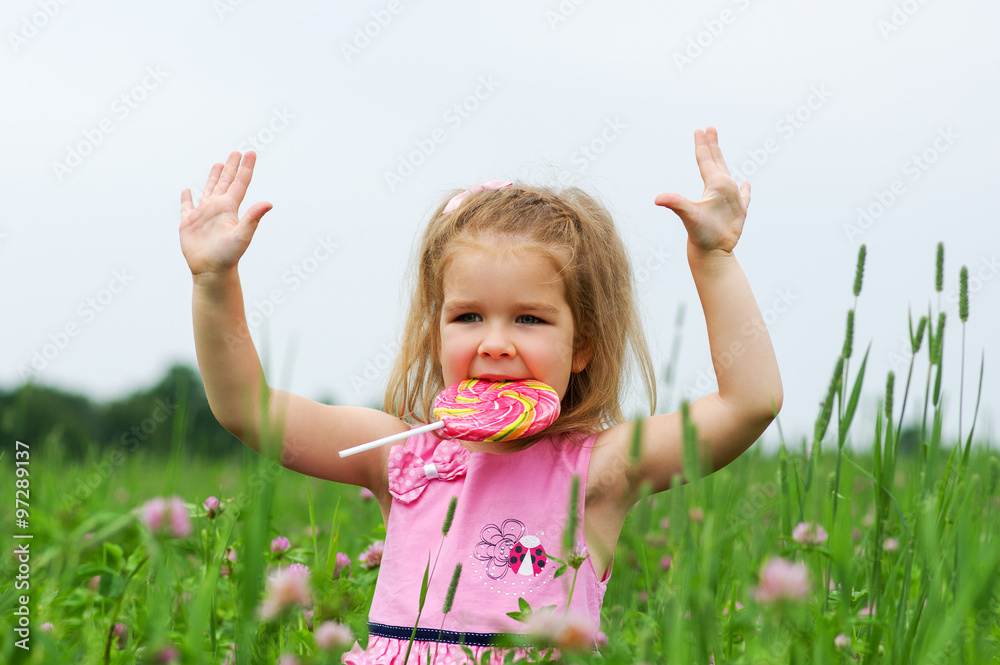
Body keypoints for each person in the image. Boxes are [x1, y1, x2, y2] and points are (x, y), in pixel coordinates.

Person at [179, 126, 782, 664]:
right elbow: (247, 409)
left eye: (529, 320)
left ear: (582, 347)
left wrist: (714, 258)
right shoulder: (400, 456)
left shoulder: (595, 471)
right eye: (468, 316)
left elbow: (747, 403)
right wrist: (215, 282)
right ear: (435, 331)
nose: (495, 343)